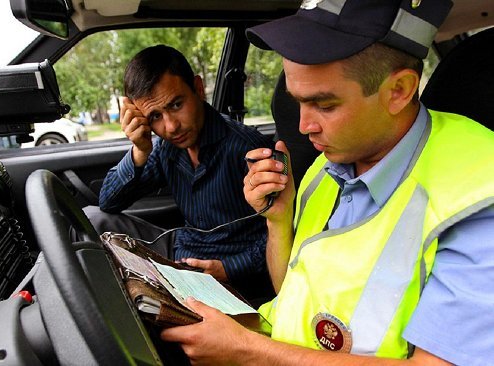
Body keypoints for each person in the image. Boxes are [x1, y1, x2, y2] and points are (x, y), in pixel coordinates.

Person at [160, 0, 494, 364]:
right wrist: (278, 220)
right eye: (297, 102)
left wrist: (248, 350)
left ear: (398, 90)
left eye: (324, 104)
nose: (304, 126)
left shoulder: (478, 195)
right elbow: (294, 298)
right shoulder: (327, 167)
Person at [90, 44, 275, 304]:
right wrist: (140, 151)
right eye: (155, 116)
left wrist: (229, 268)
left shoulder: (246, 147)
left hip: (231, 276)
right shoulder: (167, 148)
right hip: (180, 256)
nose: (170, 126)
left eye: (176, 104)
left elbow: (281, 230)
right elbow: (108, 202)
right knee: (93, 218)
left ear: (198, 89)